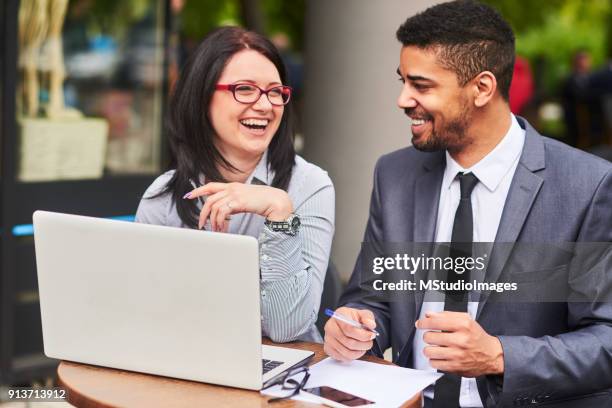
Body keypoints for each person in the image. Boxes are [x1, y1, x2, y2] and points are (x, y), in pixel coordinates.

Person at [323, 1, 612, 407]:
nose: (403, 100)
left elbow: (606, 339)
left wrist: (498, 355)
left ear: (482, 88)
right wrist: (358, 323)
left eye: (421, 86)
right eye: (403, 82)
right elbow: (373, 295)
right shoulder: (394, 175)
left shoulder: (587, 185)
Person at [135, 27, 334, 343]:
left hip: (283, 373)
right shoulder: (164, 197)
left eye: (274, 91)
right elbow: (144, 314)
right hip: (184, 365)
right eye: (244, 89)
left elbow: (288, 329)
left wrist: (279, 213)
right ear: (202, 97)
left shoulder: (309, 185)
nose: (265, 105)